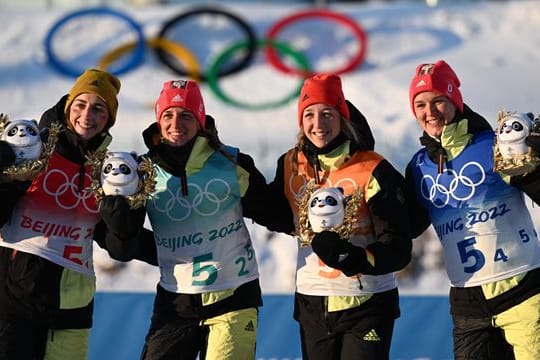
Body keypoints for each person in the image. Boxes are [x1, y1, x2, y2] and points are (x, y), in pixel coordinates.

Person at [97, 79, 271, 360]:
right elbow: (123, 246)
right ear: (158, 121)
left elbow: (275, 214)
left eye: (186, 115)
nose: (176, 123)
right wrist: (117, 215)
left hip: (234, 297)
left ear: (200, 120)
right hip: (176, 302)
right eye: (168, 115)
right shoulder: (142, 171)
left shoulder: (232, 163)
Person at [264, 73, 412, 360]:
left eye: (327, 114)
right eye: (309, 114)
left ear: (343, 117)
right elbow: (281, 217)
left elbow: (398, 248)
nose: (318, 124)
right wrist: (242, 191)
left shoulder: (373, 167)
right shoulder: (291, 163)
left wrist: (353, 258)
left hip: (367, 304)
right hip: (313, 303)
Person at [405, 60, 540, 359]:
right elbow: (407, 228)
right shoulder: (417, 166)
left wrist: (532, 168)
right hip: (468, 305)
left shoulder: (494, 144)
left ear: (455, 100)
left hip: (524, 290)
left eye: (438, 100)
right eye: (421, 104)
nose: (430, 112)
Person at [0, 68, 121, 359]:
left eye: (98, 108)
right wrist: (14, 175)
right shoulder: (30, 149)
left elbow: (116, 241)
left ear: (109, 119)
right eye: (80, 104)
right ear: (68, 107)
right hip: (14, 302)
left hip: (73, 309)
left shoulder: (109, 170)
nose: (87, 115)